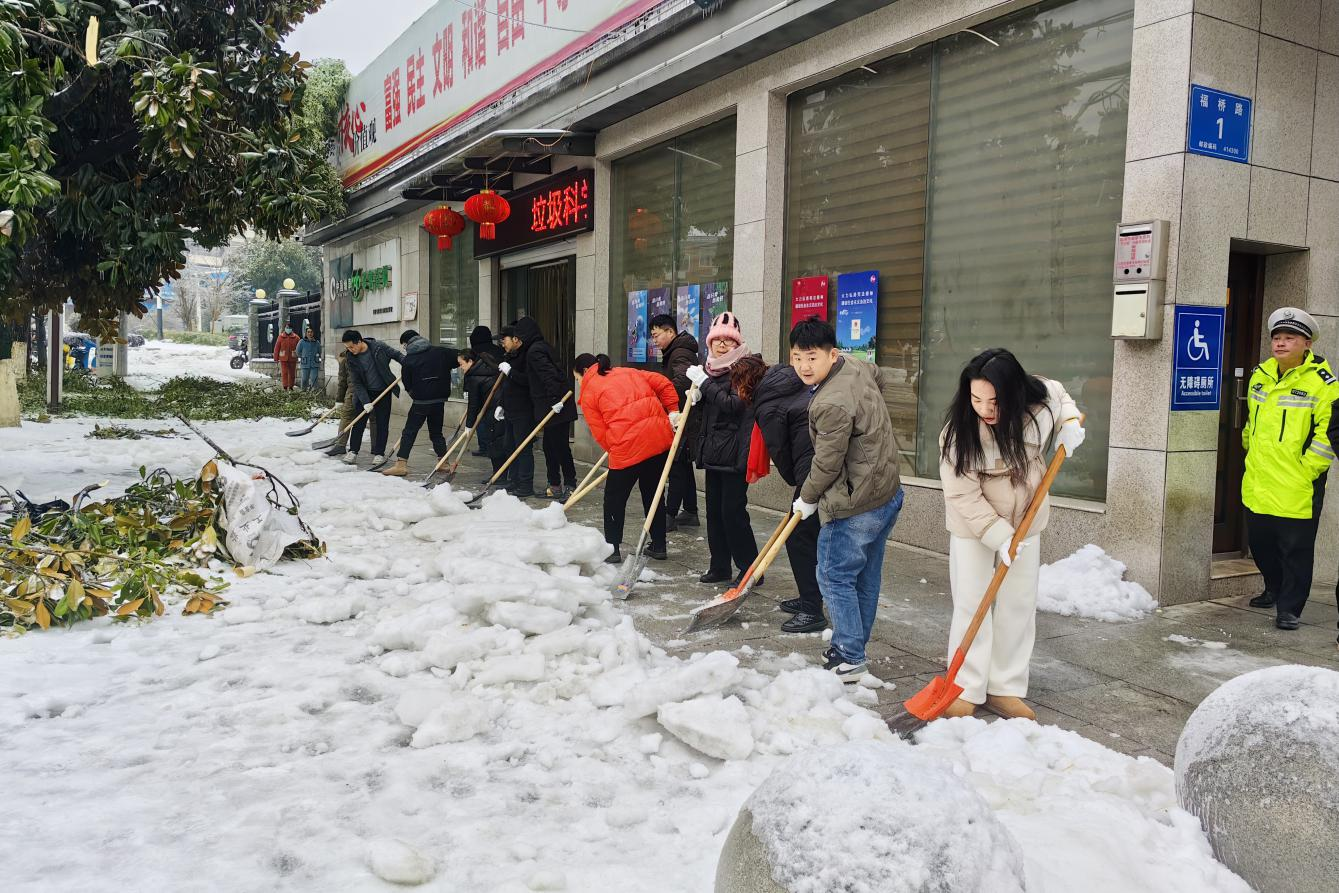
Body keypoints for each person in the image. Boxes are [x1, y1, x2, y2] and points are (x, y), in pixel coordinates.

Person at [938, 348, 1082, 718]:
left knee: (1017, 605)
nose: (985, 409)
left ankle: (1005, 686)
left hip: (1026, 524)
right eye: (976, 399)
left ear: (1016, 393)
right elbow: (962, 495)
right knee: (973, 603)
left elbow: (1059, 394)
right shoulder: (959, 435)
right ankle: (966, 687)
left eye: (995, 401)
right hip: (975, 528)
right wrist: (999, 536)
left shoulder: (1038, 407)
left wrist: (1069, 422)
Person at [789, 317, 904, 681]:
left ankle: (850, 654)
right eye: (796, 358)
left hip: (854, 504)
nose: (804, 367)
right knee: (865, 576)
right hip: (886, 491)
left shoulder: (830, 403)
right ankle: (854, 645)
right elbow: (879, 378)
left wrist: (806, 499)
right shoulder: (854, 366)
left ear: (831, 354)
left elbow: (826, 462)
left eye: (811, 357)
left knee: (834, 575)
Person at [1241, 308, 1337, 631]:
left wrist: (1308, 468)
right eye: (1277, 338)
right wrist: (1248, 446)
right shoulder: (1260, 374)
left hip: (1298, 483)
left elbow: (1328, 432)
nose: (1280, 344)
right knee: (1261, 543)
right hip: (1259, 479)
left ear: (1306, 344)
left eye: (1289, 338)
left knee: (1296, 550)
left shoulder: (1324, 383)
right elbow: (1252, 420)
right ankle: (1273, 587)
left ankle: (1290, 607)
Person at [575, 353, 679, 564]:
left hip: (627, 447)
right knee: (654, 493)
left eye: (577, 378)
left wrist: (615, 446)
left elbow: (600, 432)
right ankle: (659, 545)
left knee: (614, 499)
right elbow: (665, 384)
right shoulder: (629, 371)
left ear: (585, 371)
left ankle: (612, 549)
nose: (579, 383)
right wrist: (673, 412)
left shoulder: (589, 392)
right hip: (658, 440)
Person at [752, 352, 825, 634]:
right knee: (804, 536)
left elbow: (780, 452)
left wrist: (798, 482)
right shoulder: (791, 384)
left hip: (812, 472)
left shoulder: (768, 405)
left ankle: (811, 609)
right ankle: (810, 597)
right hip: (818, 466)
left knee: (800, 539)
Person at [685, 312, 760, 584]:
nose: (722, 345)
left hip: (735, 451)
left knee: (733, 513)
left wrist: (705, 385)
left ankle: (751, 569)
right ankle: (720, 566)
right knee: (714, 513)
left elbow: (733, 404)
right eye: (717, 339)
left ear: (737, 342)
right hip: (714, 451)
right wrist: (696, 398)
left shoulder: (747, 368)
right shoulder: (711, 368)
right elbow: (714, 407)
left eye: (728, 340)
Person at [511, 316, 578, 499]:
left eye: (517, 337)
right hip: (551, 406)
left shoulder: (535, 351)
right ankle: (554, 485)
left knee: (560, 447)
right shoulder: (538, 347)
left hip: (556, 406)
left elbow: (550, 375)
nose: (515, 340)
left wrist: (557, 400)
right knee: (549, 447)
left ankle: (570, 484)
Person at [382, 330, 458, 477]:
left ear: (407, 343)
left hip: (421, 402)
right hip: (439, 401)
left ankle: (401, 464)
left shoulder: (409, 359)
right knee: (436, 432)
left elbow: (407, 383)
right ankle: (443, 462)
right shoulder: (441, 352)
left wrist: (415, 394)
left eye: (403, 345)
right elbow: (461, 358)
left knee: (409, 431)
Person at [650, 313, 701, 531]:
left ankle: (669, 515)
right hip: (682, 416)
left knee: (677, 465)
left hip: (682, 417)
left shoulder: (679, 353)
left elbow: (681, 382)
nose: (654, 340)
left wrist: (661, 395)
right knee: (683, 463)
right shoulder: (677, 351)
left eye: (656, 335)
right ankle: (690, 510)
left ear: (670, 332)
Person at [340, 329, 401, 466]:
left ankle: (379, 453)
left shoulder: (379, 347)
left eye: (351, 346)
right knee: (359, 423)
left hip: (383, 391)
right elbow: (356, 382)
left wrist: (410, 364)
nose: (350, 349)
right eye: (347, 347)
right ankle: (353, 451)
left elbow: (397, 355)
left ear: (359, 341)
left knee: (382, 424)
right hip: (364, 393)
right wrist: (366, 401)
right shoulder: (350, 357)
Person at [496, 325, 534, 496]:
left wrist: (511, 372)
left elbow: (529, 382)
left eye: (504, 339)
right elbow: (506, 386)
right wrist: (501, 404)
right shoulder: (509, 356)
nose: (502, 343)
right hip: (510, 408)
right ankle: (514, 480)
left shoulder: (527, 356)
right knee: (509, 446)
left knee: (523, 448)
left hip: (524, 409)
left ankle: (526, 485)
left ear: (515, 339)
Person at [460, 349, 504, 477]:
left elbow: (473, 405)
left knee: (494, 444)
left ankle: (499, 475)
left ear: (470, 361)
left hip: (494, 410)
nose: (461, 368)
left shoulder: (474, 376)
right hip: (501, 408)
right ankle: (502, 475)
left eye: (462, 364)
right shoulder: (487, 367)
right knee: (500, 443)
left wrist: (469, 425)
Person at [468, 325, 503, 456]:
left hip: (481, 389)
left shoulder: (474, 352)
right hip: (496, 389)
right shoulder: (498, 350)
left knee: (481, 418)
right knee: (492, 419)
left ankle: (484, 447)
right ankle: (492, 446)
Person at [273, 323, 300, 390]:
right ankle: (285, 386)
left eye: (289, 328)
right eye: (287, 328)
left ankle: (291, 386)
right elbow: (277, 348)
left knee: (292, 373)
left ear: (291, 329)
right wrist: (275, 358)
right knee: (284, 373)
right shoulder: (280, 337)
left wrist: (299, 355)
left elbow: (299, 348)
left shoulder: (296, 337)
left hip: (292, 358)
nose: (288, 329)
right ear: (285, 328)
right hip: (283, 358)